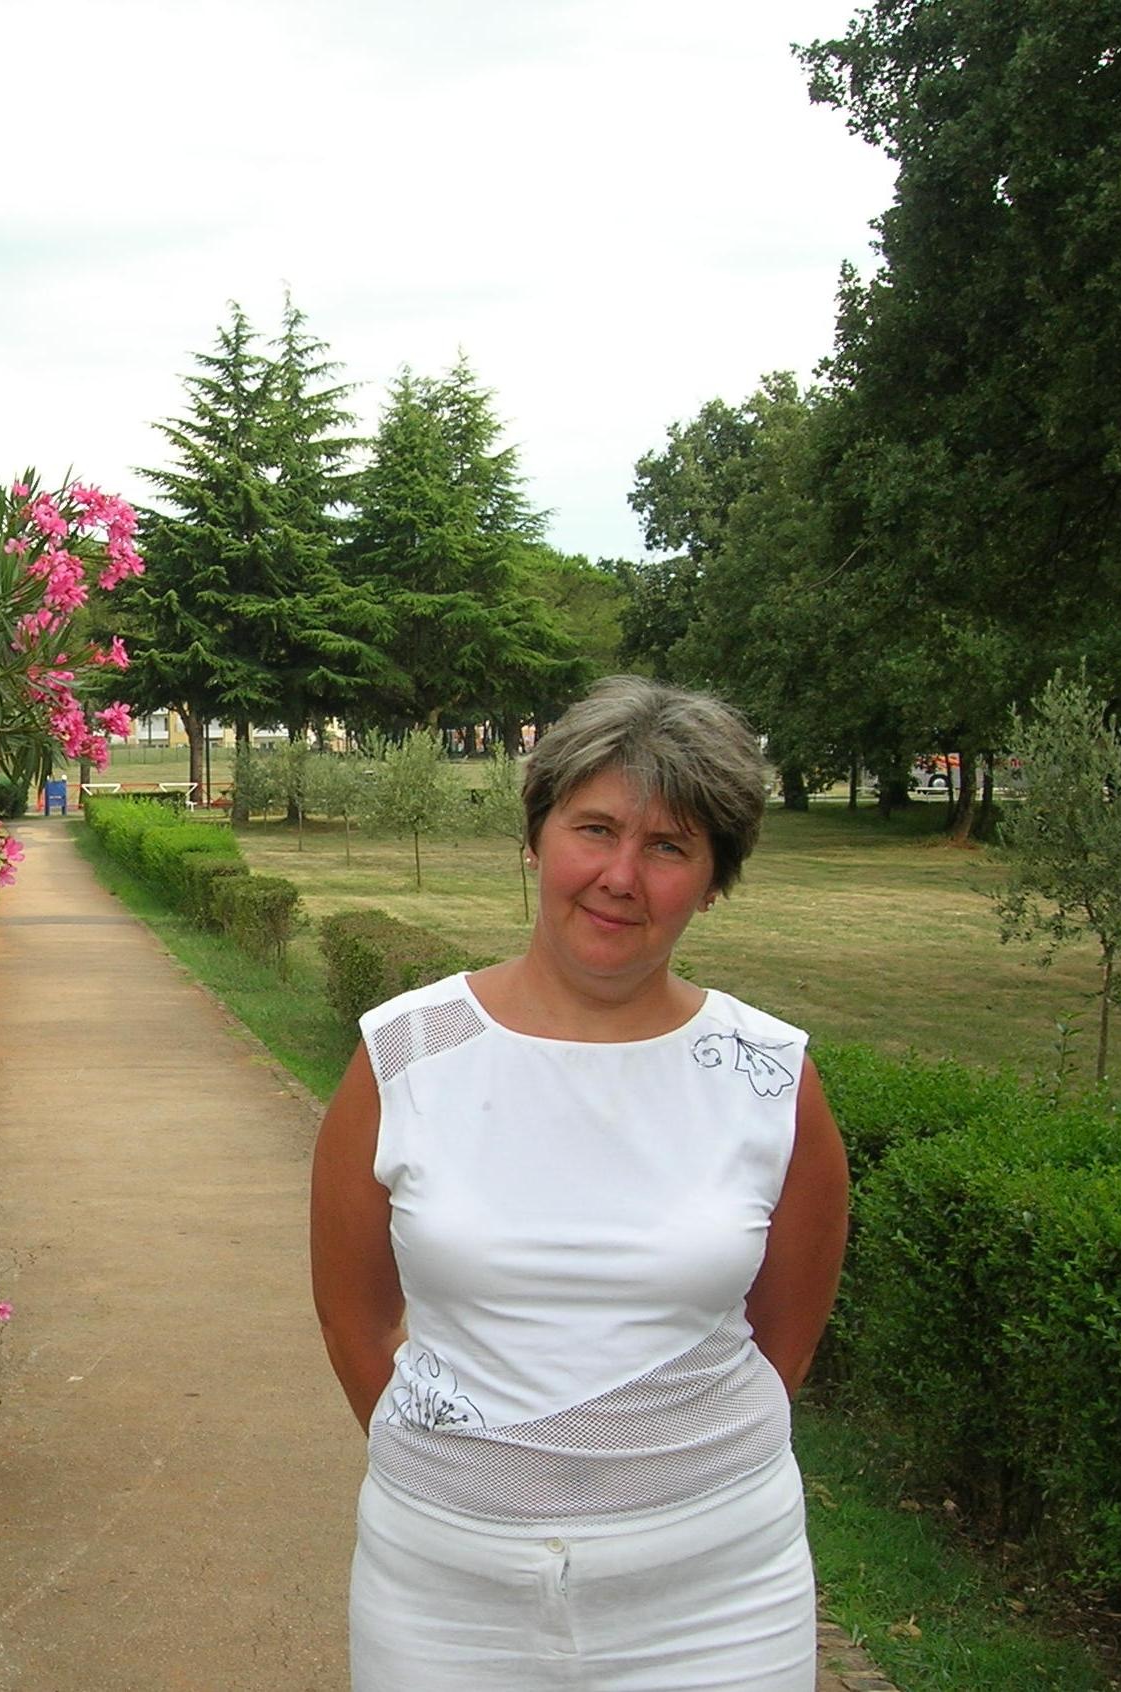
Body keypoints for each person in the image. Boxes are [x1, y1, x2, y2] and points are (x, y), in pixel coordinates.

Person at [310, 676, 849, 1691]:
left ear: (713, 881)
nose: (620, 877)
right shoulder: (404, 1055)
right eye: (594, 829)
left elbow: (785, 1343)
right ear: (535, 836)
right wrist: (474, 1483)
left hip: (716, 1596)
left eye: (669, 847)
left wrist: (659, 1485)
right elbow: (354, 1323)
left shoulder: (771, 1077)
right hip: (442, 1599)